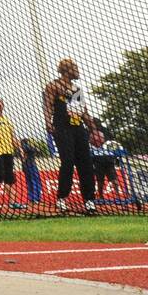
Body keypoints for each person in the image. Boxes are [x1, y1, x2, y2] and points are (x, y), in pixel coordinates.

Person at [44, 57, 97, 215]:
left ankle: (89, 201)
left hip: (78, 128)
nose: (78, 71)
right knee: (67, 162)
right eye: (75, 68)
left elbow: (84, 113)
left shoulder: (77, 90)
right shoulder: (54, 86)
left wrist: (94, 129)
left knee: (86, 164)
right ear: (67, 70)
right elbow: (47, 105)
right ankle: (62, 198)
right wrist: (48, 122)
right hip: (62, 128)